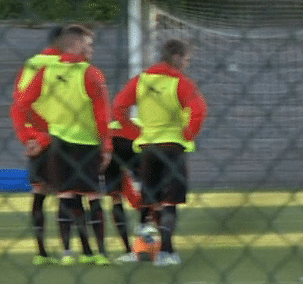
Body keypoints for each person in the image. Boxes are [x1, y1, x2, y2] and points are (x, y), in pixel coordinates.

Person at [12, 24, 112, 266]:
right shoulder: (85, 72)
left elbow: (21, 104)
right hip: (72, 141)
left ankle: (62, 252)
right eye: (88, 43)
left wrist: (31, 136)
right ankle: (93, 252)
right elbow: (102, 113)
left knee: (56, 195)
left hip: (52, 140)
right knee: (86, 196)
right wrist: (106, 145)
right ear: (70, 43)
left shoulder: (40, 68)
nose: (92, 48)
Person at [113, 39, 207, 266]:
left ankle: (141, 248)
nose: (187, 64)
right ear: (176, 57)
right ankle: (166, 252)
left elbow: (118, 107)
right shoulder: (182, 82)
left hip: (147, 147)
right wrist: (187, 134)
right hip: (172, 147)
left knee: (149, 198)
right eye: (186, 59)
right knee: (170, 202)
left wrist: (136, 131)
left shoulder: (141, 80)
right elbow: (199, 111)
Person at [10, 26, 63, 265]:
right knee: (69, 194)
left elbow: (19, 104)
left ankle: (41, 253)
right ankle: (71, 250)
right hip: (63, 137)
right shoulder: (68, 65)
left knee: (40, 193)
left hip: (37, 138)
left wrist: (29, 138)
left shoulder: (31, 64)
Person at [104, 119, 143, 263]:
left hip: (112, 141)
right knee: (149, 194)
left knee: (116, 196)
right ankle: (162, 247)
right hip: (135, 140)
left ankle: (129, 251)